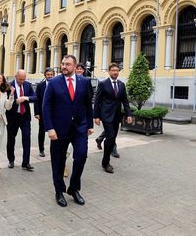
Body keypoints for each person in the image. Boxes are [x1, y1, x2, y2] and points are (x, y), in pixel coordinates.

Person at [43, 55, 94, 207]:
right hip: (59, 129)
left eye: (68, 64)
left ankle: (74, 188)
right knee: (58, 162)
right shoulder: (53, 82)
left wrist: (90, 125)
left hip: (79, 127)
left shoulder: (84, 82)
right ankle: (59, 191)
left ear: (75, 65)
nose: (64, 66)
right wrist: (50, 128)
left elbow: (87, 104)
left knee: (81, 156)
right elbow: (46, 106)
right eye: (63, 63)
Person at [93, 63, 133, 174]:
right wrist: (96, 116)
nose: (115, 72)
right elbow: (97, 100)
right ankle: (106, 162)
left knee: (112, 138)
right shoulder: (103, 84)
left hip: (116, 116)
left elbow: (125, 100)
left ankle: (105, 154)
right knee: (110, 137)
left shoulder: (121, 85)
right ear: (109, 71)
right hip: (106, 115)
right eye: (113, 70)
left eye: (117, 70)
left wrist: (129, 114)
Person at [6, 69, 37, 171]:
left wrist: (26, 98)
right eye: (20, 79)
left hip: (25, 117)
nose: (22, 81)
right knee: (11, 139)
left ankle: (26, 162)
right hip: (12, 117)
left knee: (27, 139)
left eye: (24, 79)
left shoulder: (28, 85)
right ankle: (11, 160)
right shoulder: (9, 86)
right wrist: (16, 101)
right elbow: (5, 103)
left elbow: (35, 97)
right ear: (16, 76)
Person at [34, 67, 55, 158]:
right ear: (45, 76)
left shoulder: (57, 84)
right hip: (43, 113)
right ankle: (41, 149)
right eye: (48, 75)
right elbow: (36, 100)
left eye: (51, 75)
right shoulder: (40, 86)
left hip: (54, 113)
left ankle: (53, 150)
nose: (50, 76)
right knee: (42, 131)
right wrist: (36, 112)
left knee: (54, 131)